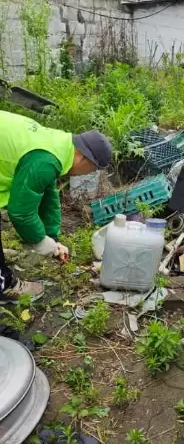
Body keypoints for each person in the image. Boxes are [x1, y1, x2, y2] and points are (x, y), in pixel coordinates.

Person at [0, 110, 112, 302]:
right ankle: (5, 285)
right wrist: (40, 242)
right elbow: (20, 213)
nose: (84, 175)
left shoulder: (59, 145)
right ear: (83, 158)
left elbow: (48, 194)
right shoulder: (45, 159)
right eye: (91, 170)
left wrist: (52, 237)